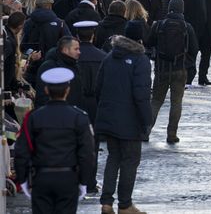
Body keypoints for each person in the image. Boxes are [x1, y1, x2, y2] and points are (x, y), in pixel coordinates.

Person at [14, 67, 94, 214]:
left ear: (46, 90)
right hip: (68, 178)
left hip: (41, 177)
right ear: (67, 90)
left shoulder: (34, 117)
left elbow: (22, 151)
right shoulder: (79, 117)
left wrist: (22, 179)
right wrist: (84, 181)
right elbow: (87, 153)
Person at [95, 25, 152, 214]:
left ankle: (106, 202)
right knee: (129, 161)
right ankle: (125, 204)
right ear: (140, 39)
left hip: (109, 117)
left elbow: (98, 87)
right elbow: (141, 95)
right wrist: (147, 121)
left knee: (113, 158)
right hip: (130, 121)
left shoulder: (110, 57)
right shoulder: (141, 60)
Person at [147, 0, 198, 143]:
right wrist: (186, 64)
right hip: (179, 70)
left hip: (161, 69)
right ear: (182, 9)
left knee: (156, 101)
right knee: (176, 103)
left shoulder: (159, 25)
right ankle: (171, 134)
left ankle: (146, 131)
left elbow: (149, 42)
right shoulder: (187, 27)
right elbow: (194, 49)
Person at [73, 20, 107, 194]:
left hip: (76, 102)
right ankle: (90, 181)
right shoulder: (102, 56)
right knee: (92, 145)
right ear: (93, 36)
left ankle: (76, 179)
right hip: (95, 104)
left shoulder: (74, 57)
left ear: (78, 36)